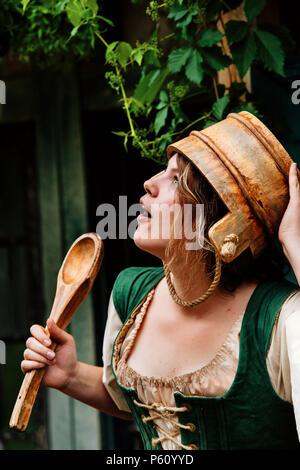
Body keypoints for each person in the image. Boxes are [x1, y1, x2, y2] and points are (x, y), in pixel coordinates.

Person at [21, 148, 300, 450]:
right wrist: (71, 376)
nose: (149, 184)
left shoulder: (281, 317)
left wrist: (295, 244)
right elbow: (134, 404)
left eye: (177, 180)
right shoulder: (132, 294)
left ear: (220, 220)